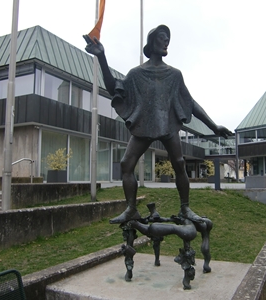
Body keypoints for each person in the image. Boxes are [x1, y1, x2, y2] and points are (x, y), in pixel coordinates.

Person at [84, 25, 232, 224]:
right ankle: (131, 209)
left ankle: (185, 208)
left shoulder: (174, 75)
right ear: (152, 42)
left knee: (179, 164)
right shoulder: (136, 74)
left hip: (168, 125)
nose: (166, 42)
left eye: (168, 39)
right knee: (126, 165)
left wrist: (213, 127)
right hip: (144, 126)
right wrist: (102, 57)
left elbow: (190, 103)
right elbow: (114, 87)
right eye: (163, 38)